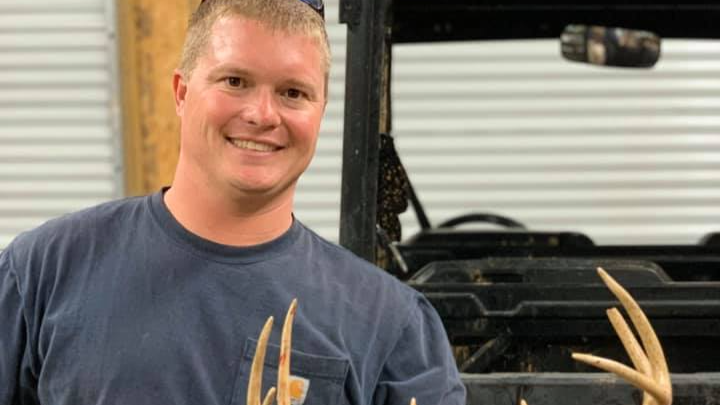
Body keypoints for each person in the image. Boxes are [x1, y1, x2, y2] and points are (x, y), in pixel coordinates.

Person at [0, 0, 466, 404]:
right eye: (235, 81)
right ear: (182, 93)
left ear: (320, 111)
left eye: (293, 92)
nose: (262, 114)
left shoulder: (391, 326)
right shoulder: (44, 273)